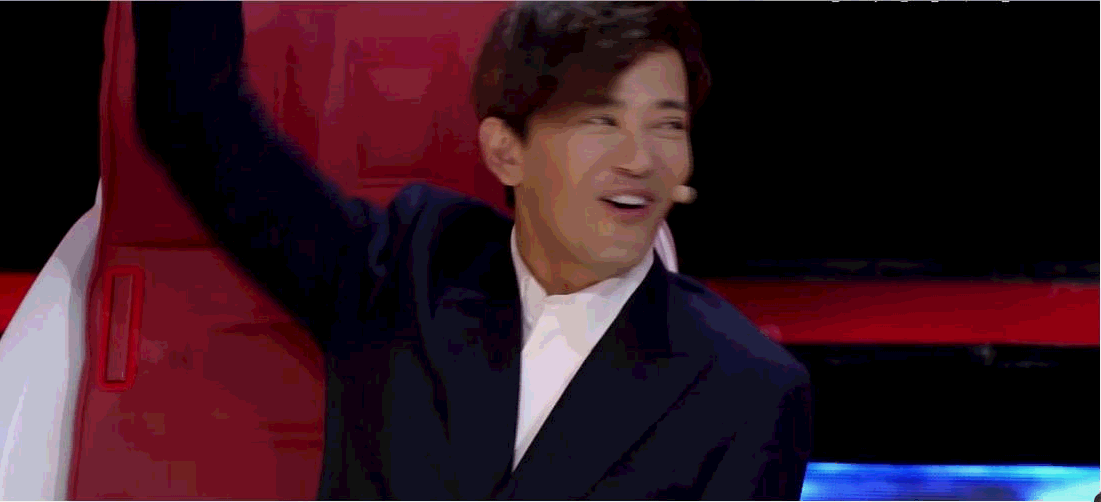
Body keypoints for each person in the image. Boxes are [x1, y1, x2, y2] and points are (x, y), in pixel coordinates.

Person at [132, 2, 812, 499]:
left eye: (667, 125)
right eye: (600, 119)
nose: (641, 158)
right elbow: (195, 118)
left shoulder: (749, 389)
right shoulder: (404, 271)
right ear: (506, 150)